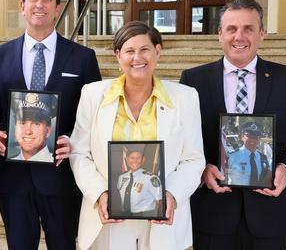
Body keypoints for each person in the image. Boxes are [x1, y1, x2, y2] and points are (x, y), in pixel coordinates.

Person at [179, 0, 286, 250]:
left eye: (248, 28)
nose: (240, 36)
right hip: (211, 213)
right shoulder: (194, 80)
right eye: (231, 29)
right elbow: (180, 140)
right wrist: (201, 170)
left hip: (270, 215)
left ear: (261, 34)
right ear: (219, 34)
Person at [0, 0, 101, 250]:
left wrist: (74, 142)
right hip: (13, 179)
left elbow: (94, 117)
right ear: (22, 6)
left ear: (57, 8)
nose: (40, 4)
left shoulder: (82, 58)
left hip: (61, 177)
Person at [70, 21, 205, 250]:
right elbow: (79, 153)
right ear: (118, 56)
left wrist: (171, 196)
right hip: (107, 221)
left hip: (162, 223)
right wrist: (100, 194)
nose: (137, 57)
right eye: (129, 51)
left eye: (144, 49)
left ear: (158, 51)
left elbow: (194, 159)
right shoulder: (93, 95)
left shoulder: (185, 97)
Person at [116, 146, 162, 217]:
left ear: (143, 160)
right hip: (123, 216)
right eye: (132, 158)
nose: (135, 160)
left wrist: (159, 219)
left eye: (138, 158)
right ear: (127, 160)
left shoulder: (151, 178)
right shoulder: (121, 178)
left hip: (145, 216)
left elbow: (161, 201)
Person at [10, 92, 56, 162]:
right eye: (22, 123)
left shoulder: (57, 162)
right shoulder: (8, 163)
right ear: (15, 127)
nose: (28, 131)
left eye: (36, 123)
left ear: (48, 131)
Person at [225, 122, 272, 187]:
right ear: (242, 137)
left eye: (256, 137)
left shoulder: (264, 158)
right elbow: (224, 178)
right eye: (249, 136)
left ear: (259, 140)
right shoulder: (232, 156)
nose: (252, 140)